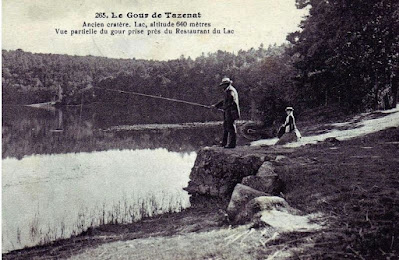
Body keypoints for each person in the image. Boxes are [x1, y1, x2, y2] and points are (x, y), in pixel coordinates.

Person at [212, 77, 240, 148]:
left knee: (231, 128)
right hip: (228, 112)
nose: (222, 87)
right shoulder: (228, 90)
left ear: (227, 84)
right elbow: (224, 101)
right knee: (225, 127)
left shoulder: (230, 91)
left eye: (223, 85)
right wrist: (216, 106)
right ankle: (224, 143)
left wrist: (224, 107)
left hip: (231, 112)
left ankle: (232, 145)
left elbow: (231, 101)